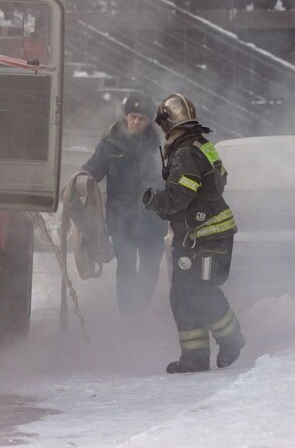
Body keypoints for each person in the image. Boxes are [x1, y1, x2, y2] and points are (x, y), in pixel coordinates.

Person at [143, 93, 245, 373]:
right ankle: (195, 357)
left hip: (203, 235)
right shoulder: (201, 144)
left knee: (199, 291)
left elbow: (180, 195)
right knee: (184, 294)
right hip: (202, 232)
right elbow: (219, 180)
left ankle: (232, 339)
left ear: (167, 123)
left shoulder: (186, 151)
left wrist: (154, 201)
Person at [81, 91, 166, 320]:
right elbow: (92, 170)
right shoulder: (109, 145)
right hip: (122, 222)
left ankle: (139, 309)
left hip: (153, 221)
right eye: (132, 116)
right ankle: (130, 319)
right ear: (126, 116)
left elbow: (173, 180)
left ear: (149, 122)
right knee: (127, 271)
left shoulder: (161, 148)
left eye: (141, 118)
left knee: (150, 271)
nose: (136, 122)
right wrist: (79, 180)